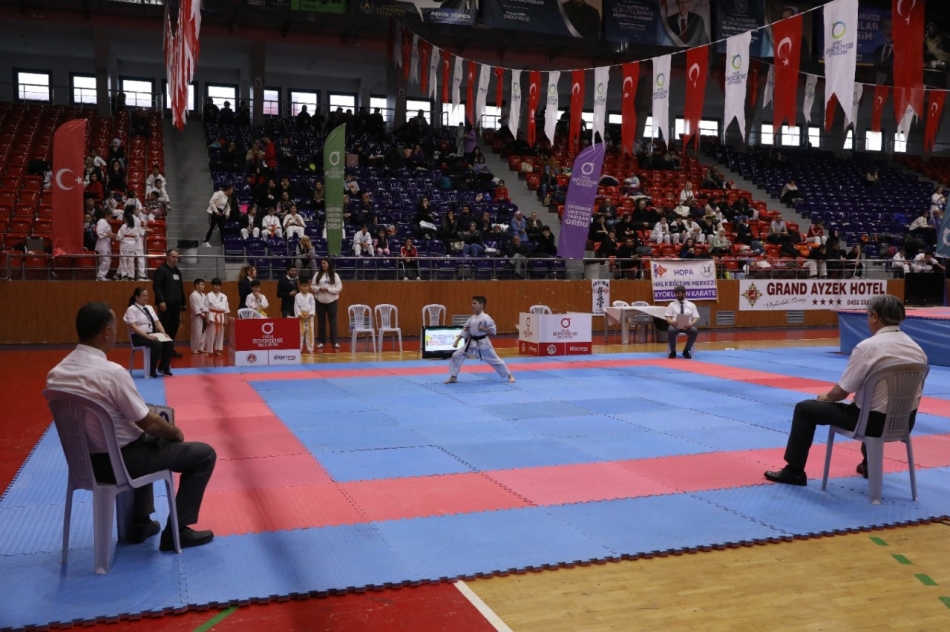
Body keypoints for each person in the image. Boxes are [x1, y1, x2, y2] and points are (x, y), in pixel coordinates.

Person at [48, 302, 216, 550]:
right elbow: (148, 422)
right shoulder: (112, 373)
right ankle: (177, 532)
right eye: (115, 327)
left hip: (83, 464)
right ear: (106, 332)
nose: (116, 332)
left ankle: (141, 523)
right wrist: (176, 433)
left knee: (142, 440)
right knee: (203, 454)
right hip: (121, 463)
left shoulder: (56, 374)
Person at [764, 295, 927, 486]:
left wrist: (826, 397)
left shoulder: (868, 348)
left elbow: (841, 392)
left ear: (874, 316)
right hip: (905, 422)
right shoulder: (917, 350)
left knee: (804, 409)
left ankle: (794, 471)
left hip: (871, 424)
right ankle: (869, 465)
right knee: (875, 402)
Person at [445, 296, 515, 384]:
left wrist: (484, 329)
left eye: (474, 303)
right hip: (471, 343)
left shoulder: (486, 318)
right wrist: (457, 341)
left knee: (495, 360)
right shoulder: (472, 318)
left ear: (481, 305)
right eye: (472, 303)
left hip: (483, 344)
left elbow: (494, 331)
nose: (472, 305)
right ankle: (453, 376)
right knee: (456, 355)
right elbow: (465, 330)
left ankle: (510, 375)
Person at [124, 287, 175, 378]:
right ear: (137, 297)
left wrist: (163, 333)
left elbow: (157, 322)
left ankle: (163, 367)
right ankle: (151, 370)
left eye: (147, 296)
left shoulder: (149, 307)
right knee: (157, 344)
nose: (146, 298)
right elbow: (133, 327)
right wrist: (146, 336)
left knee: (169, 342)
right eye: (143, 296)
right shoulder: (131, 309)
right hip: (138, 336)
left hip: (152, 334)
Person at [153, 249, 185, 357]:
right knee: (164, 327)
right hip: (165, 305)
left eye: (177, 257)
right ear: (167, 257)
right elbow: (156, 286)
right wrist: (161, 300)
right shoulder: (161, 270)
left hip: (176, 304)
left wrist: (183, 302)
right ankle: (161, 349)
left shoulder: (177, 271)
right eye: (173, 257)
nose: (175, 259)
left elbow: (180, 288)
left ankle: (169, 349)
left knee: (174, 327)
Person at [665, 284, 699, 359]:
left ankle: (686, 350)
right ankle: (673, 351)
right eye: (676, 294)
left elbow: (695, 317)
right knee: (671, 330)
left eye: (679, 293)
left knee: (694, 331)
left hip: (687, 325)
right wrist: (672, 322)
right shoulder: (671, 304)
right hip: (675, 325)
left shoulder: (691, 305)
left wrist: (691, 324)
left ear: (684, 293)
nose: (677, 295)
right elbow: (668, 318)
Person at [314, 258, 342, 349]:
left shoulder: (335, 275)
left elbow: (339, 288)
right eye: (322, 263)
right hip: (320, 301)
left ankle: (334, 342)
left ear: (329, 264)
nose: (323, 265)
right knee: (321, 322)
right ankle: (321, 341)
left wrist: (328, 290)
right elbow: (312, 286)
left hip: (332, 302)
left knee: (333, 322)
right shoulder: (317, 274)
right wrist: (319, 289)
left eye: (324, 263)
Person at [202, 278, 229, 356]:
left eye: (219, 285)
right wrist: (207, 318)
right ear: (212, 286)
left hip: (221, 316)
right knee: (210, 334)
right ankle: (208, 350)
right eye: (216, 285)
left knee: (220, 334)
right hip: (212, 316)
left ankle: (218, 350)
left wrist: (226, 319)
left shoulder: (224, 296)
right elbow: (206, 308)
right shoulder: (209, 295)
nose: (217, 287)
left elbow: (226, 309)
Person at [295, 275, 316, 354]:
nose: (306, 288)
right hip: (301, 317)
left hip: (309, 317)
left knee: (310, 333)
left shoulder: (311, 296)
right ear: (300, 286)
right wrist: (300, 315)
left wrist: (310, 314)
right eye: (304, 286)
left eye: (307, 286)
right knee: (300, 333)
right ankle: (299, 349)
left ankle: (310, 349)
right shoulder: (297, 296)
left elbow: (313, 306)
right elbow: (296, 306)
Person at [94, 207, 116, 281]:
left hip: (106, 244)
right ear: (106, 215)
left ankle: (100, 275)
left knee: (104, 260)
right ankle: (100, 275)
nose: (111, 218)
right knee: (106, 260)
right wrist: (109, 234)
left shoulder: (107, 224)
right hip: (102, 244)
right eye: (110, 217)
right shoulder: (102, 221)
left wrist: (111, 236)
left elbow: (107, 234)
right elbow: (99, 233)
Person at [189, 278, 208, 354]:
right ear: (197, 285)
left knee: (204, 332)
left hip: (204, 314)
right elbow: (195, 307)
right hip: (197, 316)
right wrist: (201, 314)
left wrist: (206, 313)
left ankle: (201, 347)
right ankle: (195, 348)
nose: (204, 286)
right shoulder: (193, 295)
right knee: (197, 332)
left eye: (204, 285)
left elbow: (206, 305)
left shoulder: (204, 295)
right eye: (202, 284)